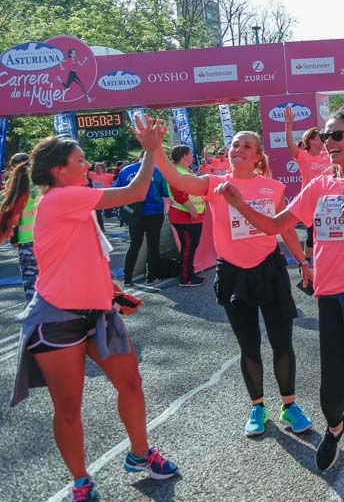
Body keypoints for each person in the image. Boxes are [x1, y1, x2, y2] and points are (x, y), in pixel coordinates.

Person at [218, 109, 344, 498]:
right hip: (332, 298)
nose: (328, 143)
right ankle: (335, 427)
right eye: (326, 137)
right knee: (332, 392)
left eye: (337, 136)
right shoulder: (319, 185)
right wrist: (241, 205)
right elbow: (276, 225)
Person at [6, 120, 178, 502]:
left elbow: (82, 257)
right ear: (58, 170)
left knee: (131, 384)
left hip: (99, 310)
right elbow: (135, 191)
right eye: (80, 161)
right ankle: (81, 482)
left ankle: (139, 454)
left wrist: (113, 294)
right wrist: (151, 149)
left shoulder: (72, 198)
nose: (87, 166)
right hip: (57, 318)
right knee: (68, 406)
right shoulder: (62, 197)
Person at [154, 131, 314, 437]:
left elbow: (286, 230)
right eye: (235, 145)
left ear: (257, 156)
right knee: (248, 345)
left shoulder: (272, 186)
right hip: (233, 274)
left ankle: (290, 406)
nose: (238, 149)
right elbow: (178, 179)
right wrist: (155, 150)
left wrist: (303, 262)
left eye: (247, 146)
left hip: (269, 270)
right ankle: (257, 406)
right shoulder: (214, 184)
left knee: (282, 343)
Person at [114, 152, 171, 286]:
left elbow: (116, 190)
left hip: (134, 213)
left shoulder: (126, 171)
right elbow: (165, 192)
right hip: (154, 212)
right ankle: (152, 277)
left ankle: (127, 278)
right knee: (153, 245)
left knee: (134, 245)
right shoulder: (157, 171)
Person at [285, 108, 334, 261]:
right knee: (312, 233)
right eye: (320, 137)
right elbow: (290, 145)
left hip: (329, 201)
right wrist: (288, 125)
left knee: (330, 232)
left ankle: (327, 260)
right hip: (311, 201)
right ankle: (305, 262)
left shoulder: (329, 155)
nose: (323, 140)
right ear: (311, 140)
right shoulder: (303, 156)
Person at [0, 153, 40, 302]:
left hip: (26, 239)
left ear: (13, 166)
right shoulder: (40, 178)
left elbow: (12, 211)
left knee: (31, 281)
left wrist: (13, 235)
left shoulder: (15, 182)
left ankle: (34, 316)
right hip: (46, 237)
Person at [166, 145, 206, 287]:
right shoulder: (176, 171)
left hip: (190, 215)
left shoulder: (184, 170)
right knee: (188, 246)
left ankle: (189, 273)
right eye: (190, 154)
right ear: (184, 155)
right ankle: (185, 278)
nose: (192, 156)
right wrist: (192, 209)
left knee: (190, 246)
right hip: (184, 215)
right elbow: (179, 194)